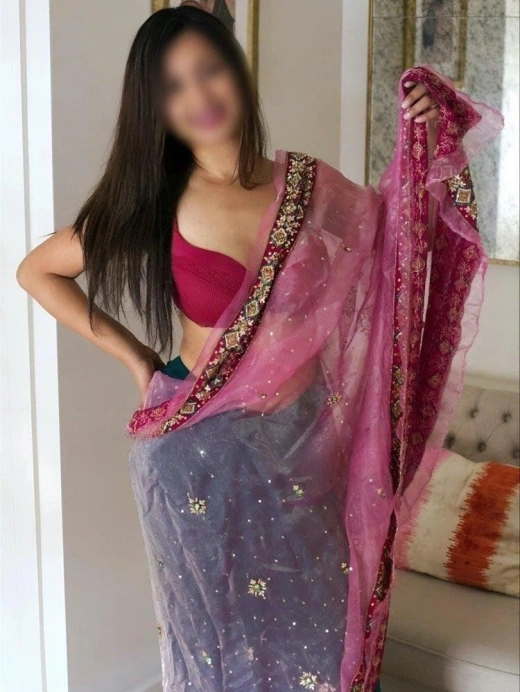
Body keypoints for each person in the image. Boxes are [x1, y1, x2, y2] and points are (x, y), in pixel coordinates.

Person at [16, 6, 504, 692]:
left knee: (323, 640)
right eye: (174, 86)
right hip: (198, 455)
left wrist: (425, 136)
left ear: (237, 74)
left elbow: (394, 243)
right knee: (220, 651)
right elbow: (38, 271)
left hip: (304, 451)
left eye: (210, 70)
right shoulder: (157, 200)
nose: (199, 95)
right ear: (155, 107)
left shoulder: (308, 185)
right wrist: (138, 360)